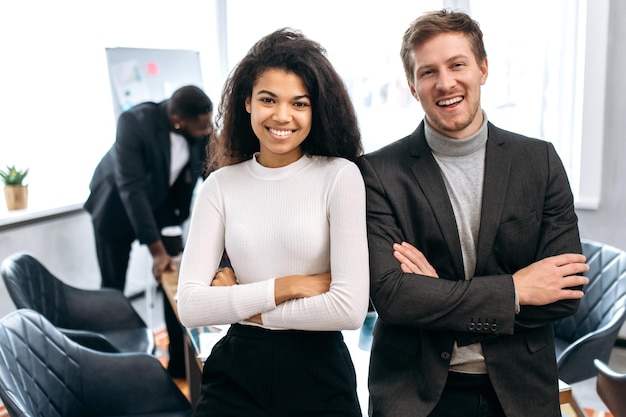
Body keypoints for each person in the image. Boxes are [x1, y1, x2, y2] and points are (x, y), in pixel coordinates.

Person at [358, 9, 590, 417]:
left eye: (457, 64)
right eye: (428, 72)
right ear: (412, 86)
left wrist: (435, 296)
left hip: (520, 389)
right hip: (417, 393)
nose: (445, 83)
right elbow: (392, 298)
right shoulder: (377, 172)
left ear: (483, 68)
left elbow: (563, 295)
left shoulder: (540, 161)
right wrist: (515, 290)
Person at [176, 28, 369, 417]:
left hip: (318, 373)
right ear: (247, 102)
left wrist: (243, 305)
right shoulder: (220, 185)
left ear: (317, 110)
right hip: (236, 372)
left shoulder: (340, 176)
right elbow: (191, 306)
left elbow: (348, 309)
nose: (282, 116)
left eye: (300, 103)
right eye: (268, 99)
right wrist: (289, 286)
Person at [84, 85, 214, 379]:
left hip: (160, 206)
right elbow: (132, 190)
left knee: (174, 278)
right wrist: (156, 251)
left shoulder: (201, 128)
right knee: (113, 287)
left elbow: (215, 175)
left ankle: (179, 366)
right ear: (179, 119)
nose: (208, 130)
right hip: (115, 207)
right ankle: (108, 363)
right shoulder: (134, 122)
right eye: (202, 125)